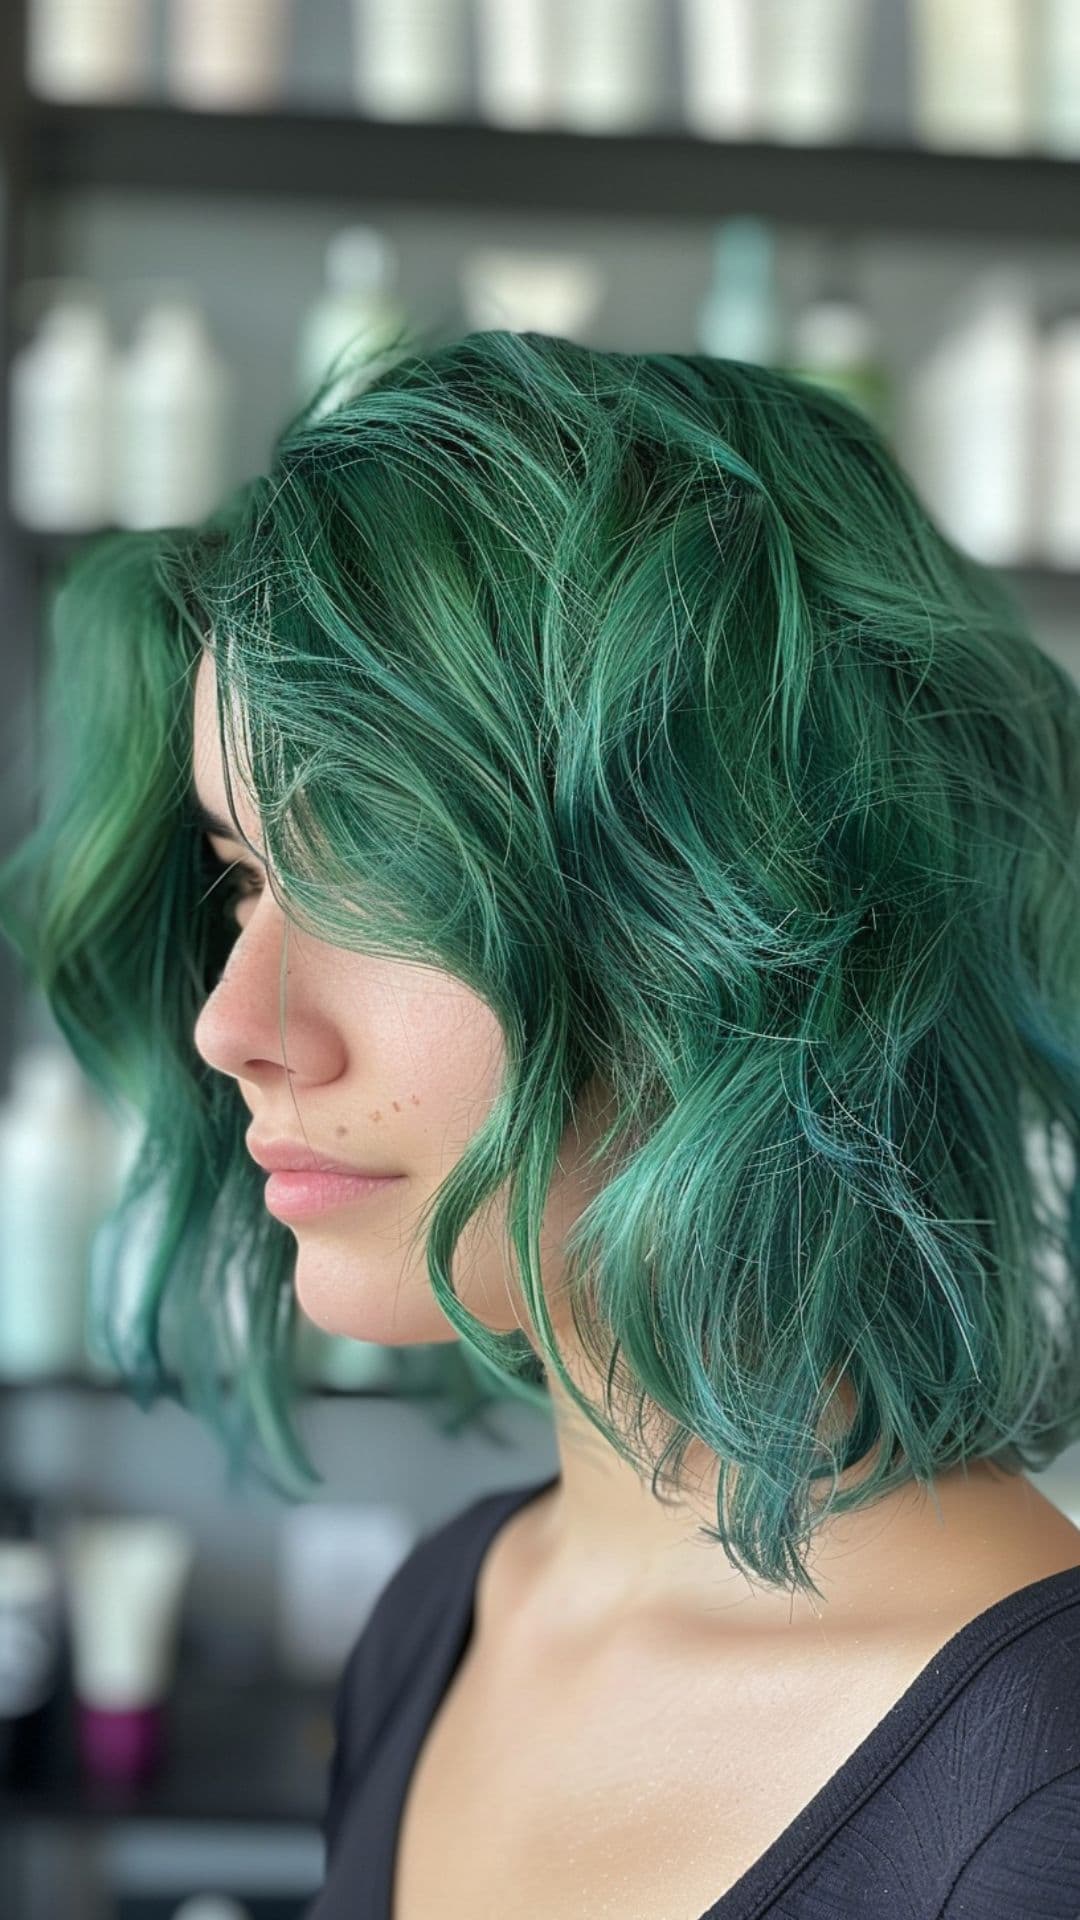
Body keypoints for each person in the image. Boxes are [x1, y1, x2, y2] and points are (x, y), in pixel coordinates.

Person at [3, 327, 1080, 1916]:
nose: (233, 1027)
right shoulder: (446, 1621)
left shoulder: (1036, 1812)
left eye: (380, 878)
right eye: (243, 878)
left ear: (737, 912)